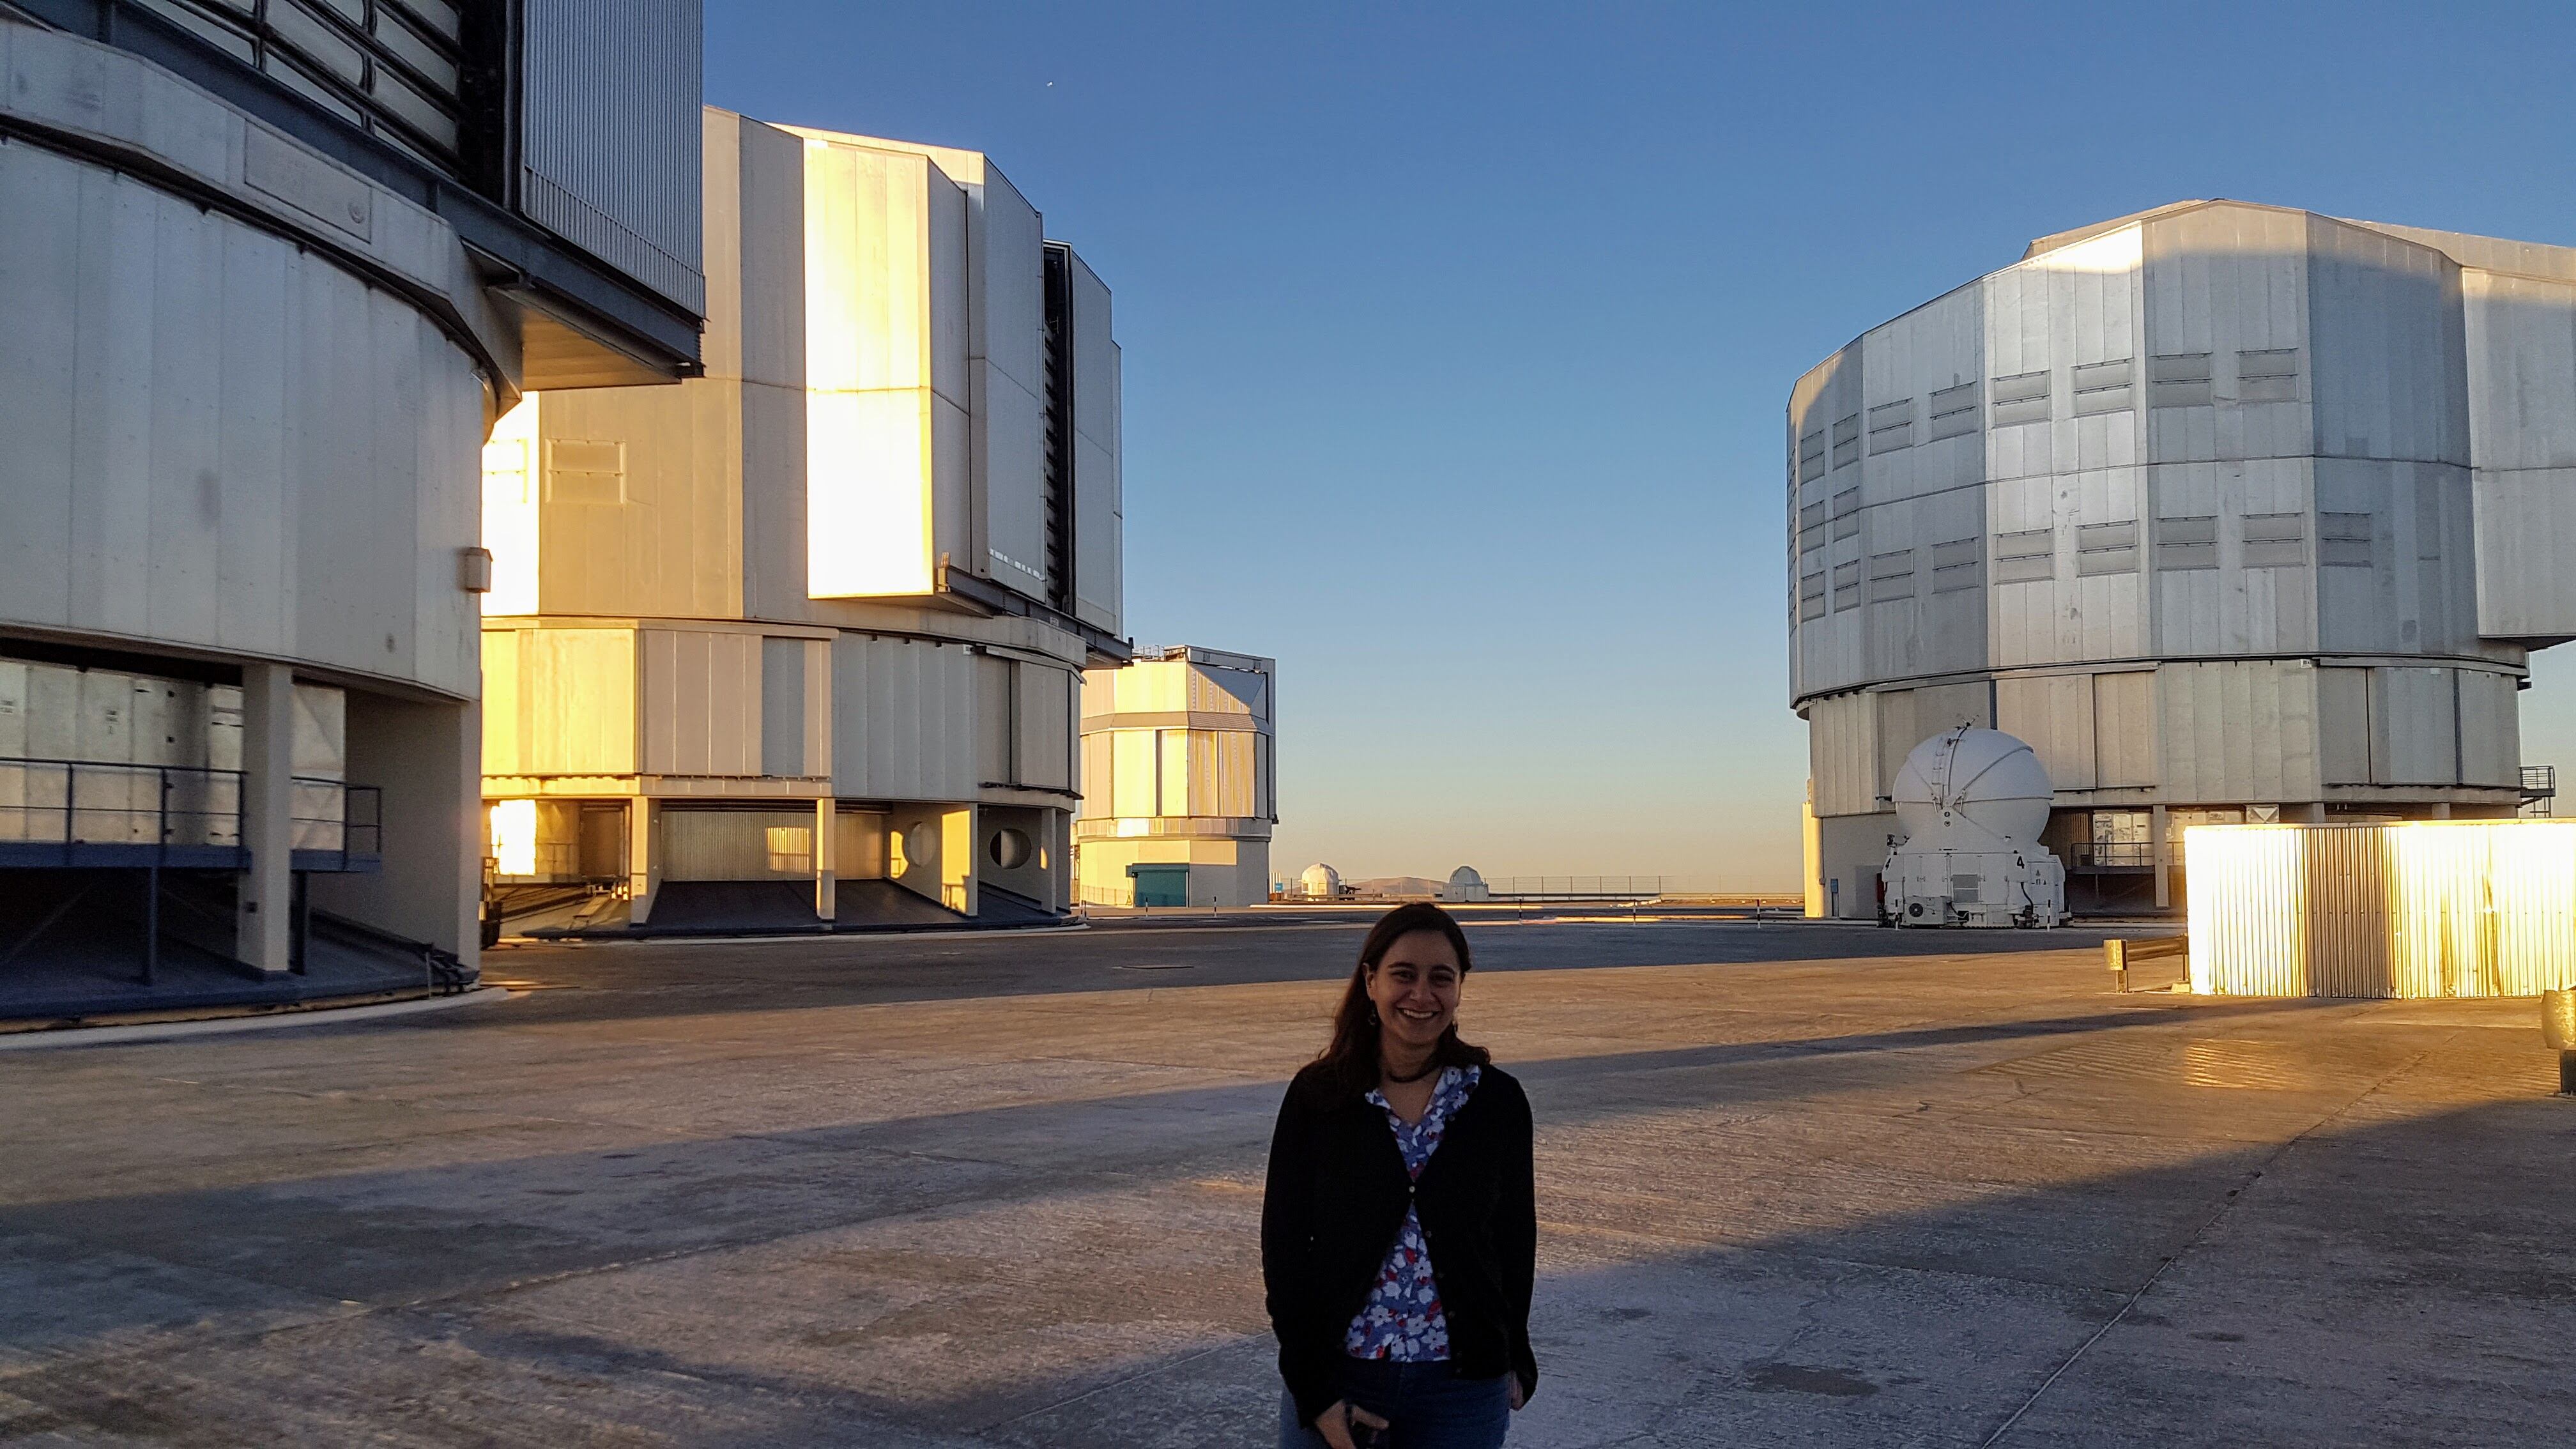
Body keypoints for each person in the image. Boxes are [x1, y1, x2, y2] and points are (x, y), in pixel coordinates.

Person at [1262, 902, 1538, 1449]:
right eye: (1403, 975)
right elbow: (1286, 1249)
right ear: (1370, 981)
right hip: (1340, 1378)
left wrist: (1516, 1354)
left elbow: (1513, 1241)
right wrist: (1314, 1390)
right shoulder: (1320, 1097)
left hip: (1461, 1392)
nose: (1422, 995)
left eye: (1442, 978)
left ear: (1460, 989)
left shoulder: (1497, 1102)